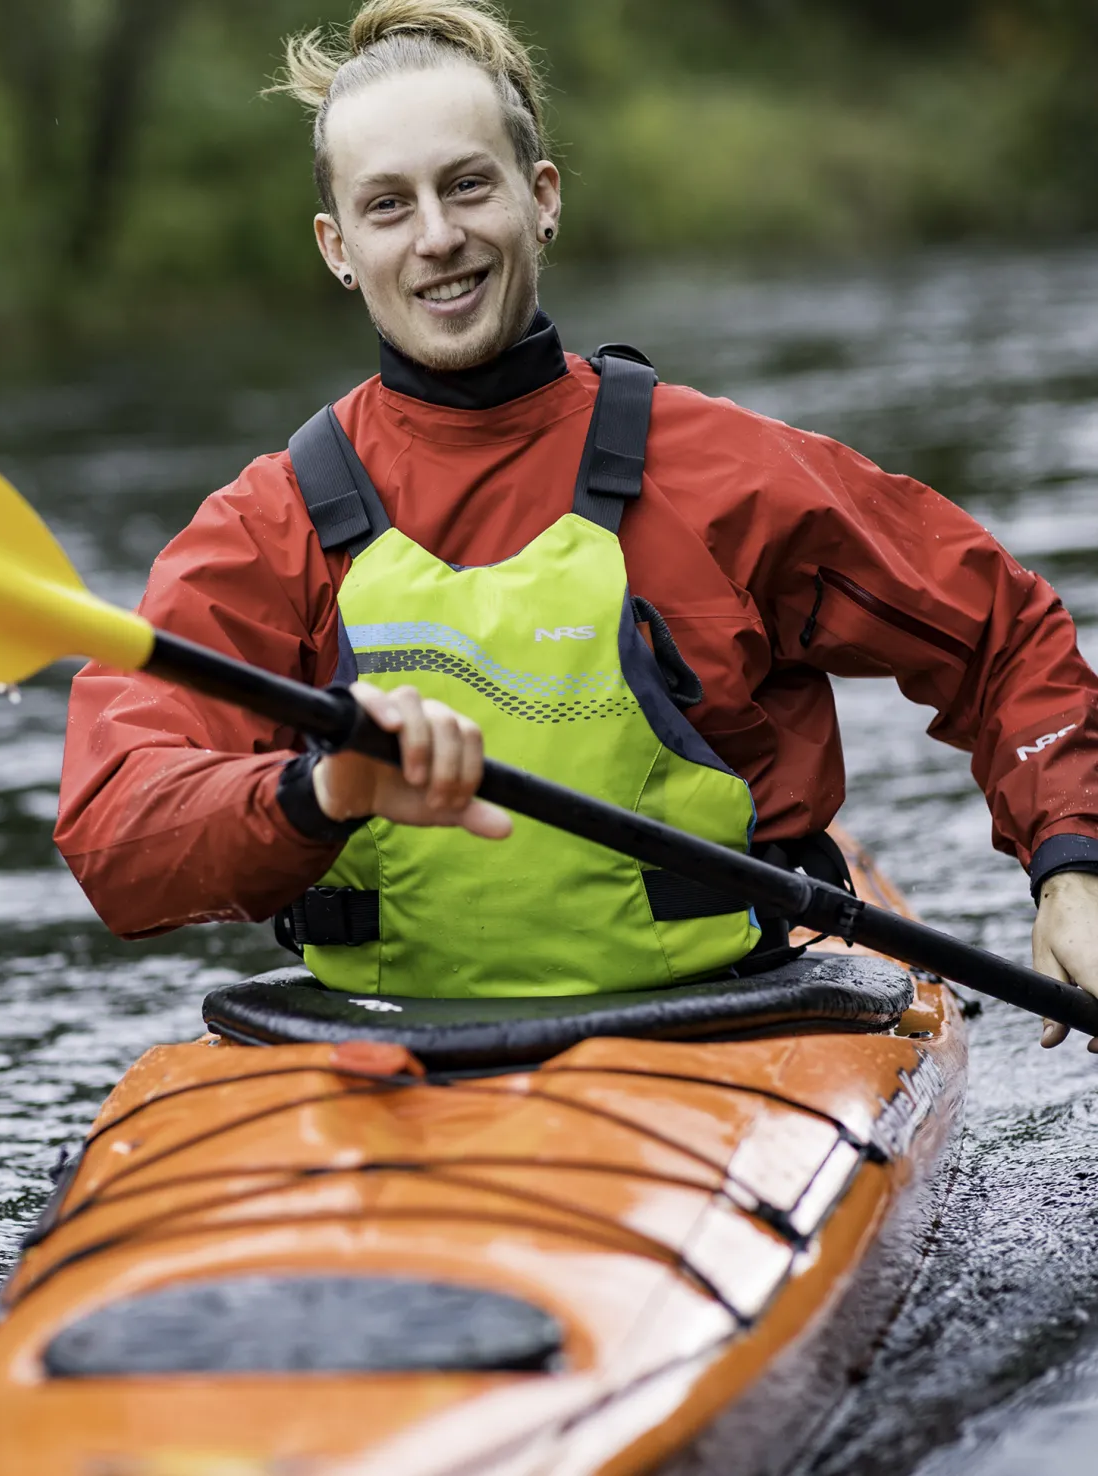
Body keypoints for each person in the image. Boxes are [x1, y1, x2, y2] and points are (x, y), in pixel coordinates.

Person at [56, 0, 1098, 1044]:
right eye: (388, 205)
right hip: (384, 1049)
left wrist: (1073, 865)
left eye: (469, 185)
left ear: (540, 197)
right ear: (337, 246)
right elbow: (116, 828)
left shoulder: (722, 475)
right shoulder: (270, 526)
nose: (437, 236)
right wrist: (322, 791)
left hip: (725, 1023)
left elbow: (1000, 636)